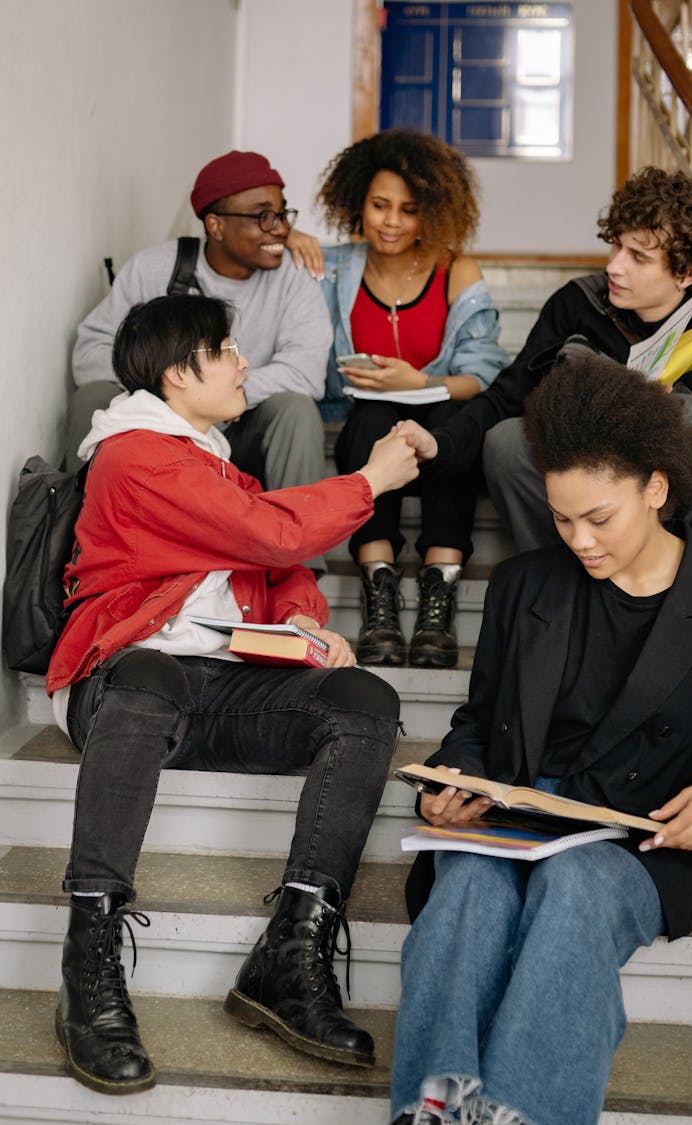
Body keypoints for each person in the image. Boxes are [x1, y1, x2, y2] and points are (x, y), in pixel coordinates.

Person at [47, 293, 420, 1095]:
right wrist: (366, 479)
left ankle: (291, 953)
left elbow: (280, 566)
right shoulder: (135, 455)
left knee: (364, 699)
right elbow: (273, 531)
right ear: (180, 373)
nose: (243, 360)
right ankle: (90, 952)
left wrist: (303, 622)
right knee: (152, 671)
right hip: (124, 687)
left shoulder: (211, 456)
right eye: (226, 349)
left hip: (217, 690)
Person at [390, 351, 692, 1125]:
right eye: (561, 517)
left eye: (599, 518)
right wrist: (456, 778)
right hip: (522, 815)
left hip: (643, 837)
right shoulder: (526, 585)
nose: (579, 540)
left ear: (656, 487)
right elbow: (479, 723)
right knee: (468, 888)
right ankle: (434, 1111)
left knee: (575, 887)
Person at [396, 166, 692, 555]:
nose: (614, 266)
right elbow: (506, 396)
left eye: (638, 257)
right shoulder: (577, 303)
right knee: (506, 441)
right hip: (579, 483)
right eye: (617, 246)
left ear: (687, 272)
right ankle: (562, 584)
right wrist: (441, 443)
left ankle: (690, 609)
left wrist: (650, 442)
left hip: (664, 490)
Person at [68, 150, 330, 561]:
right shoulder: (156, 268)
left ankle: (298, 570)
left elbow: (307, 372)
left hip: (244, 425)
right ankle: (76, 557)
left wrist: (221, 396)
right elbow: (91, 351)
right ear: (216, 225)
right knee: (92, 397)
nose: (280, 229)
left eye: (283, 214)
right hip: (159, 436)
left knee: (296, 410)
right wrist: (172, 402)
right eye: (263, 216)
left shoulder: (295, 276)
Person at [317, 129, 505, 668]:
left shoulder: (457, 272)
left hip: (442, 408)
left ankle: (437, 592)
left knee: (453, 423)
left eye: (409, 209)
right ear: (358, 203)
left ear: (436, 212)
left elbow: (485, 373)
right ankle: (379, 590)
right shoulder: (334, 268)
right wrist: (297, 242)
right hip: (364, 413)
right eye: (380, 206)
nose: (392, 222)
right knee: (371, 420)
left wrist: (417, 384)